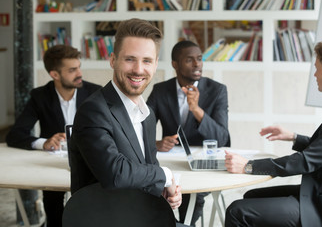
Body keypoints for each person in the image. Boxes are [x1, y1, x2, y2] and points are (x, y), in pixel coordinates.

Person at [224, 39, 322, 227]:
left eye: (317, 68)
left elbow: (306, 161)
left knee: (237, 211)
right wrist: (293, 137)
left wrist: (248, 166)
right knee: (251, 196)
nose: (314, 74)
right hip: (319, 191)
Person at [69, 18, 184, 226]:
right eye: (130, 59)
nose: (139, 69)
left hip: (141, 216)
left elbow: (147, 170)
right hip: (104, 220)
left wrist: (164, 190)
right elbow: (115, 173)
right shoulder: (93, 110)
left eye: (147, 61)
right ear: (113, 60)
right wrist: (164, 175)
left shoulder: (146, 113)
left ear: (156, 64)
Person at [6, 45, 101, 227]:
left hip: (90, 162)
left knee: (89, 207)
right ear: (55, 74)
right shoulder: (40, 96)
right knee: (53, 206)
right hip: (53, 165)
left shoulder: (95, 93)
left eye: (79, 67)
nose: (79, 73)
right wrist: (44, 143)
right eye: (72, 70)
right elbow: (15, 135)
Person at [147, 40, 230, 225]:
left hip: (203, 168)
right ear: (175, 64)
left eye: (199, 59)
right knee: (150, 192)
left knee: (192, 197)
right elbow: (141, 126)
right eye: (189, 60)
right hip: (172, 165)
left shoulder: (217, 90)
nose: (197, 64)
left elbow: (223, 138)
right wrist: (157, 143)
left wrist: (197, 110)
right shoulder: (161, 90)